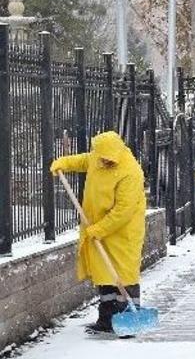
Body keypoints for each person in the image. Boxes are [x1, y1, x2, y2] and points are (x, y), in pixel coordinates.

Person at [50, 131, 146, 335]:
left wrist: (99, 229)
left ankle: (128, 320)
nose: (103, 161)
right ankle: (106, 321)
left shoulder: (131, 172)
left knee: (124, 275)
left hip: (123, 233)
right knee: (105, 274)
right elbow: (84, 160)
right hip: (98, 229)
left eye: (107, 160)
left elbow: (123, 211)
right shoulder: (99, 157)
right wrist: (63, 163)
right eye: (101, 158)